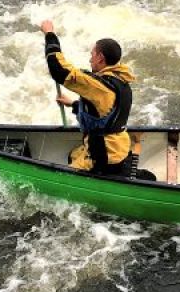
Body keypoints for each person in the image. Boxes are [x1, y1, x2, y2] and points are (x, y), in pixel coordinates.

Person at [41, 19, 136, 175]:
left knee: (64, 176)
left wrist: (49, 34)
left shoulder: (99, 86)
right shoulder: (121, 79)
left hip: (103, 155)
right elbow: (104, 112)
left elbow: (58, 69)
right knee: (72, 155)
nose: (90, 58)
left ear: (100, 58)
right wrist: (73, 104)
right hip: (119, 146)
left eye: (92, 54)